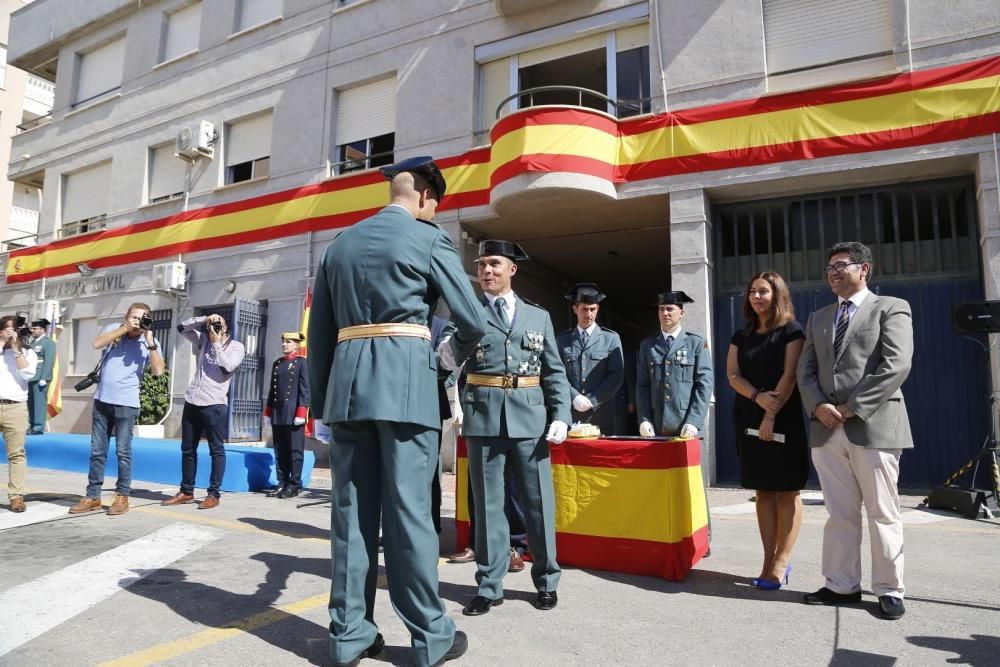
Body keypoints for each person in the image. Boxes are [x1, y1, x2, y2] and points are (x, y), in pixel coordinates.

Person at [309, 156, 485, 667]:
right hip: (406, 385)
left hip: (347, 391)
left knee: (351, 517)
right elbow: (472, 320)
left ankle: (348, 635)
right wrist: (441, 362)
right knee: (410, 515)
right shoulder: (427, 238)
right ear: (428, 196)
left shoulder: (338, 244)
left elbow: (320, 333)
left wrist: (324, 402)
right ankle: (430, 635)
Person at [797, 241, 913, 620]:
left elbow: (895, 365)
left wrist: (852, 407)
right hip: (827, 429)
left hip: (874, 425)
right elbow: (806, 371)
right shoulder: (818, 317)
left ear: (864, 269)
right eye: (829, 267)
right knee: (840, 513)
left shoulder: (891, 308)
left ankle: (889, 589)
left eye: (841, 265)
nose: (833, 272)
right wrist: (818, 405)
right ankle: (841, 585)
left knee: (883, 511)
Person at [460, 239, 571, 617]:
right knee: (489, 507)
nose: (486, 271)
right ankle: (489, 586)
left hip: (530, 418)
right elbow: (450, 363)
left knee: (539, 502)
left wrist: (561, 415)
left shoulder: (538, 316)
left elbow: (553, 371)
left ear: (512, 270)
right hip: (483, 417)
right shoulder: (468, 311)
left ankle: (546, 580)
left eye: (494, 264)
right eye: (481, 265)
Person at [726, 271, 808, 589]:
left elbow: (790, 376)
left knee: (787, 490)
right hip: (748, 414)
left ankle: (781, 562)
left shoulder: (792, 331)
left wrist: (770, 415)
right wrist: (758, 398)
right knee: (763, 492)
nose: (756, 297)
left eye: (763, 291)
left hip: (783, 416)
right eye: (752, 292)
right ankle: (766, 559)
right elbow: (733, 375)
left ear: (777, 295)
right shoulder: (741, 335)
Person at [69, 302, 165, 516]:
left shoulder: (149, 341)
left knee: (123, 453)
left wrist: (150, 343)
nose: (139, 321)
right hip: (102, 401)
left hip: (127, 404)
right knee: (97, 451)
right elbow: (96, 344)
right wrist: (124, 329)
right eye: (135, 317)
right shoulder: (115, 330)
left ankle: (122, 497)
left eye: (144, 318)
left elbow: (158, 371)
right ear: (127, 317)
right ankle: (93, 496)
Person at [162, 314, 246, 510]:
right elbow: (181, 328)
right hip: (193, 400)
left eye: (218, 324)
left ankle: (213, 494)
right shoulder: (203, 339)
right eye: (212, 325)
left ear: (226, 328)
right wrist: (203, 319)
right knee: (188, 449)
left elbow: (228, 366)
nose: (214, 327)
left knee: (216, 450)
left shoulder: (236, 347)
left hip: (215, 404)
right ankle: (186, 491)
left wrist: (216, 343)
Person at [636, 291, 714, 440]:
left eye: (669, 309)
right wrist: (644, 419)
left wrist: (694, 421)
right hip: (656, 426)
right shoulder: (647, 345)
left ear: (681, 312)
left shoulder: (696, 343)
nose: (665, 313)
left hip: (686, 427)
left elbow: (704, 384)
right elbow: (642, 386)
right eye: (661, 309)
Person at [556, 283, 624, 435]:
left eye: (592, 309)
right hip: (571, 414)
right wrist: (574, 396)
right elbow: (557, 374)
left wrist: (592, 400)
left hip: (601, 415)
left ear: (597, 308)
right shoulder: (562, 340)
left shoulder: (610, 338)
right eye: (584, 309)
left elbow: (616, 375)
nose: (589, 314)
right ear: (575, 309)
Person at [263, 331, 310, 499]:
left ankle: (294, 484)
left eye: (288, 342)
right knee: (280, 450)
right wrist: (268, 412)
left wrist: (301, 412)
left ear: (296, 345)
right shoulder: (277, 363)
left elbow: (305, 390)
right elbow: (272, 390)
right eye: (283, 341)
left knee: (295, 451)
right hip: (278, 412)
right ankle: (281, 482)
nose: (284, 344)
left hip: (294, 413)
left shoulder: (302, 363)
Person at [1, 315, 38, 513]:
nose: (12, 334)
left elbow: (28, 375)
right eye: (8, 330)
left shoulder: (26, 353)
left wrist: (15, 350)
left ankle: (16, 496)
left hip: (15, 406)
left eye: (14, 330)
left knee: (16, 454)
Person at [26, 318, 55, 435]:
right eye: (31, 328)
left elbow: (49, 361)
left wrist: (44, 377)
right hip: (31, 376)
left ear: (43, 329)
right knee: (31, 403)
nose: (32, 330)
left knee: (39, 403)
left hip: (40, 377)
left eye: (35, 328)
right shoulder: (33, 343)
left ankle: (38, 427)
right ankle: (32, 425)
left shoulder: (48, 342)